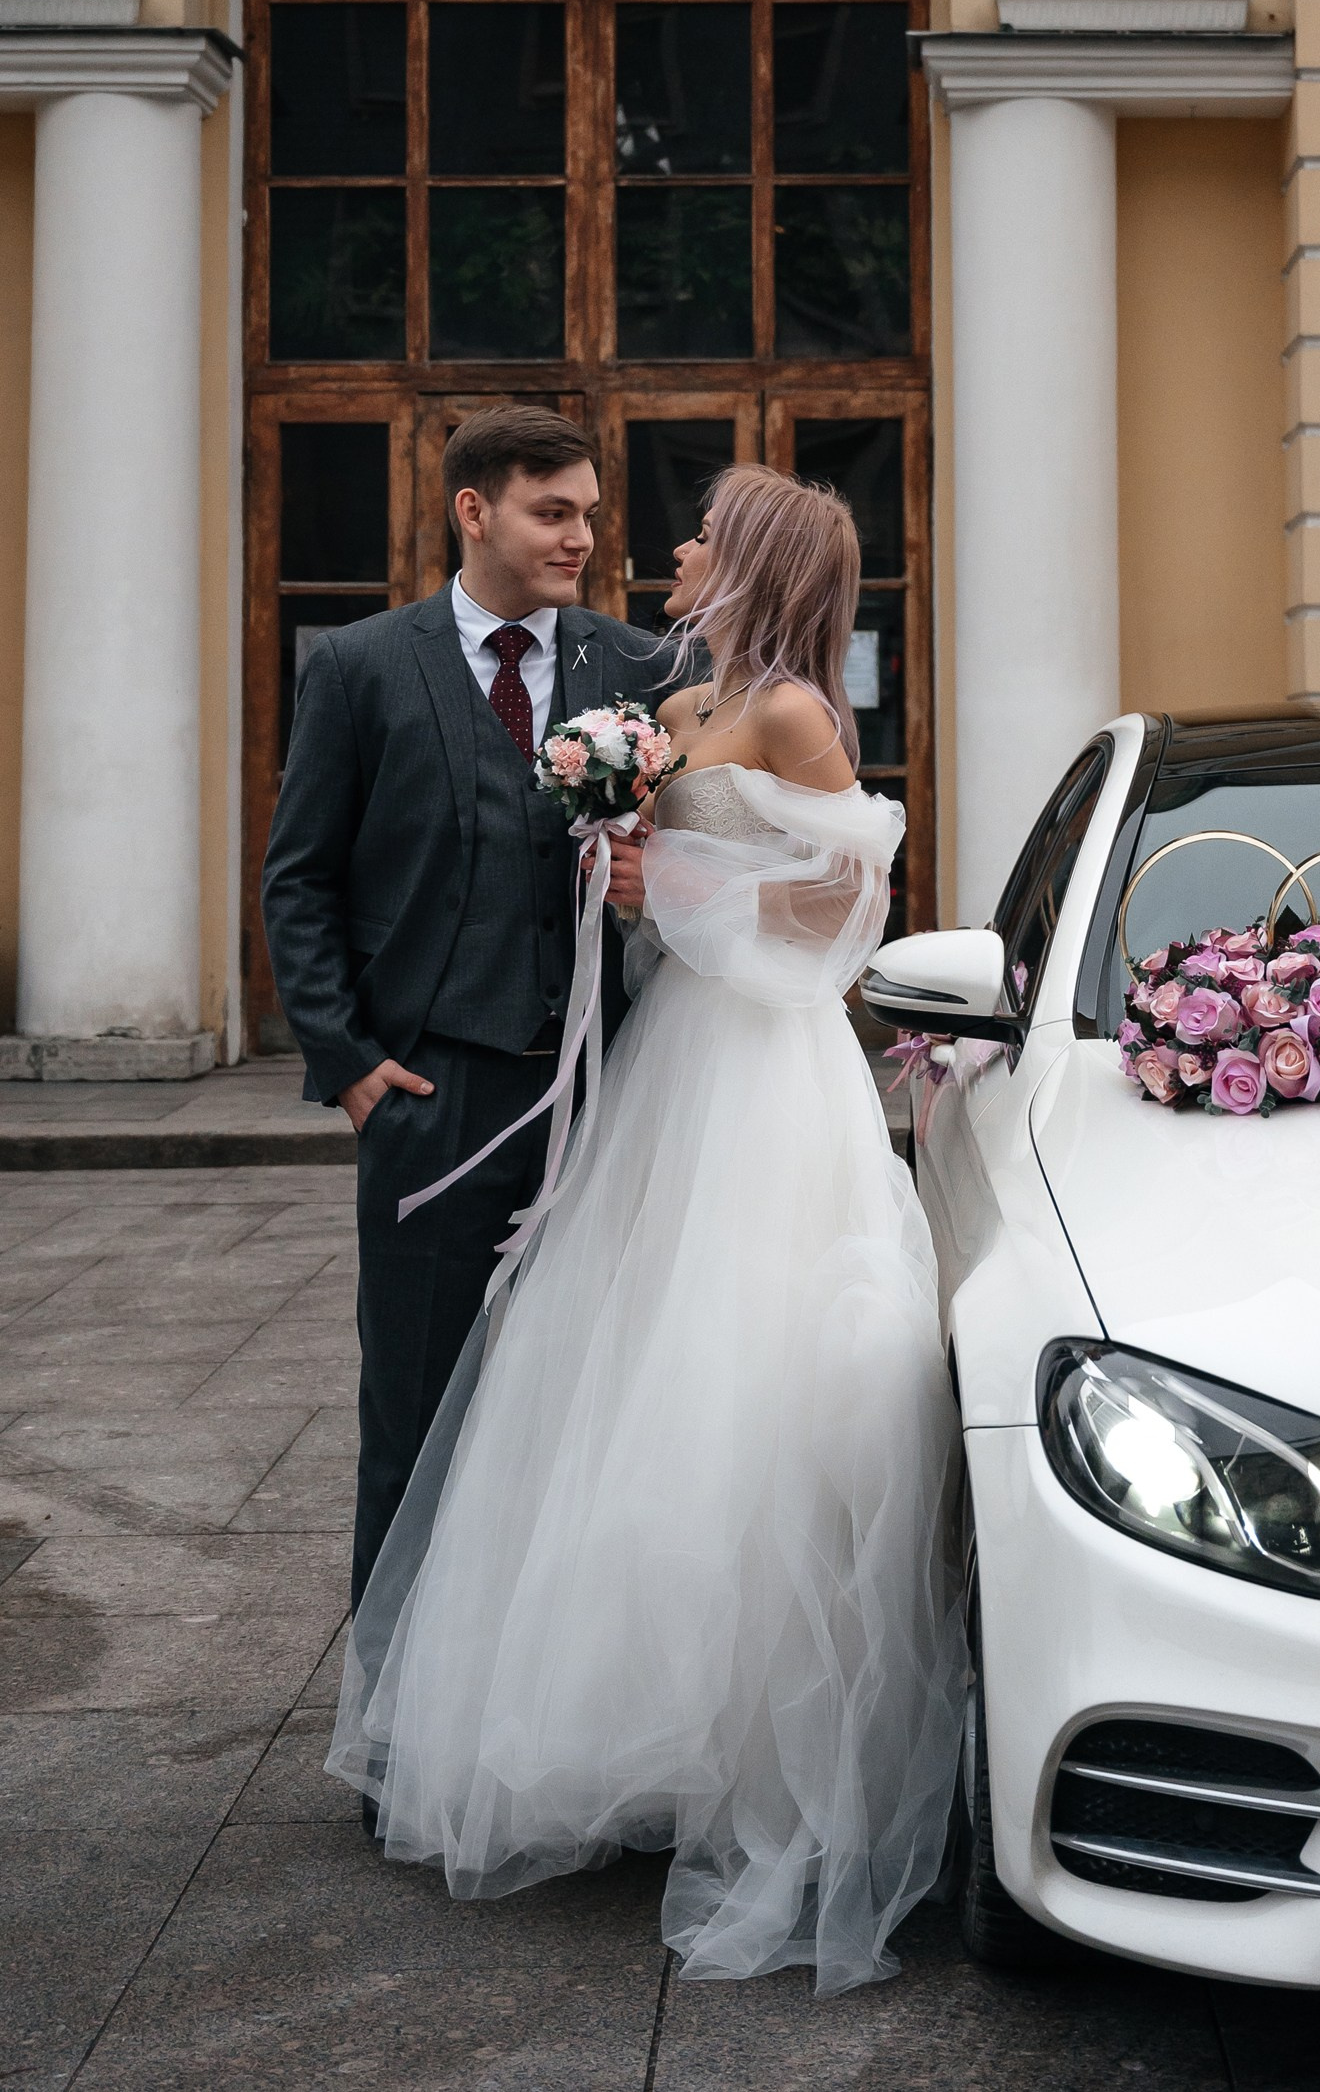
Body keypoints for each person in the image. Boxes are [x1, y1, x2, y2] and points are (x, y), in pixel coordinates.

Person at [327, 463, 964, 1996]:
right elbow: (656, 885)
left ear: (749, 559)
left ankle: (741, 1741)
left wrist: (669, 871)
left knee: (726, 1372)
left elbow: (842, 916)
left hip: (759, 1068)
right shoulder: (680, 701)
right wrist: (625, 872)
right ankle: (619, 1723)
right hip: (667, 1054)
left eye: (700, 530)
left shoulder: (794, 713)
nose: (669, 545)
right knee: (611, 1374)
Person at [262, 405, 646, 1611]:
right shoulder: (362, 666)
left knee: (588, 1412)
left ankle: (542, 1686)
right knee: (416, 1415)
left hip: (608, 1095)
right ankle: (394, 1703)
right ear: (473, 511)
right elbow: (300, 879)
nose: (579, 537)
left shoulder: (640, 668)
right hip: (432, 1095)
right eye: (551, 512)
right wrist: (351, 1065)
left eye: (588, 513)